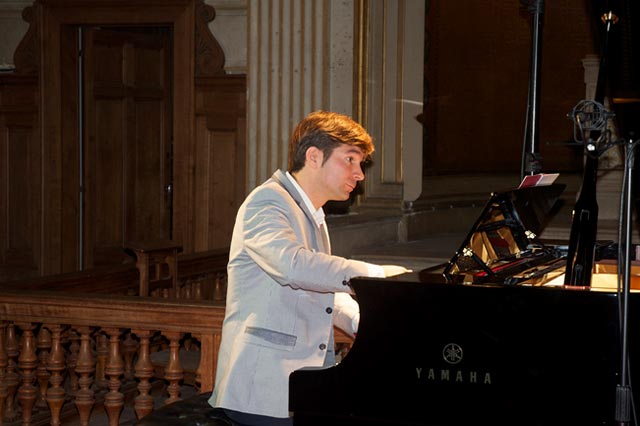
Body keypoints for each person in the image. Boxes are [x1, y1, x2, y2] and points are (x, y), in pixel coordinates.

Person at [208, 110, 411, 425]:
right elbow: (292, 266)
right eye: (350, 160)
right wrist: (374, 275)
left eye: (360, 164)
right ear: (314, 156)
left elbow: (319, 286)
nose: (359, 174)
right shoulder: (267, 201)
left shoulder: (311, 213)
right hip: (262, 386)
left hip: (299, 380)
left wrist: (361, 320)